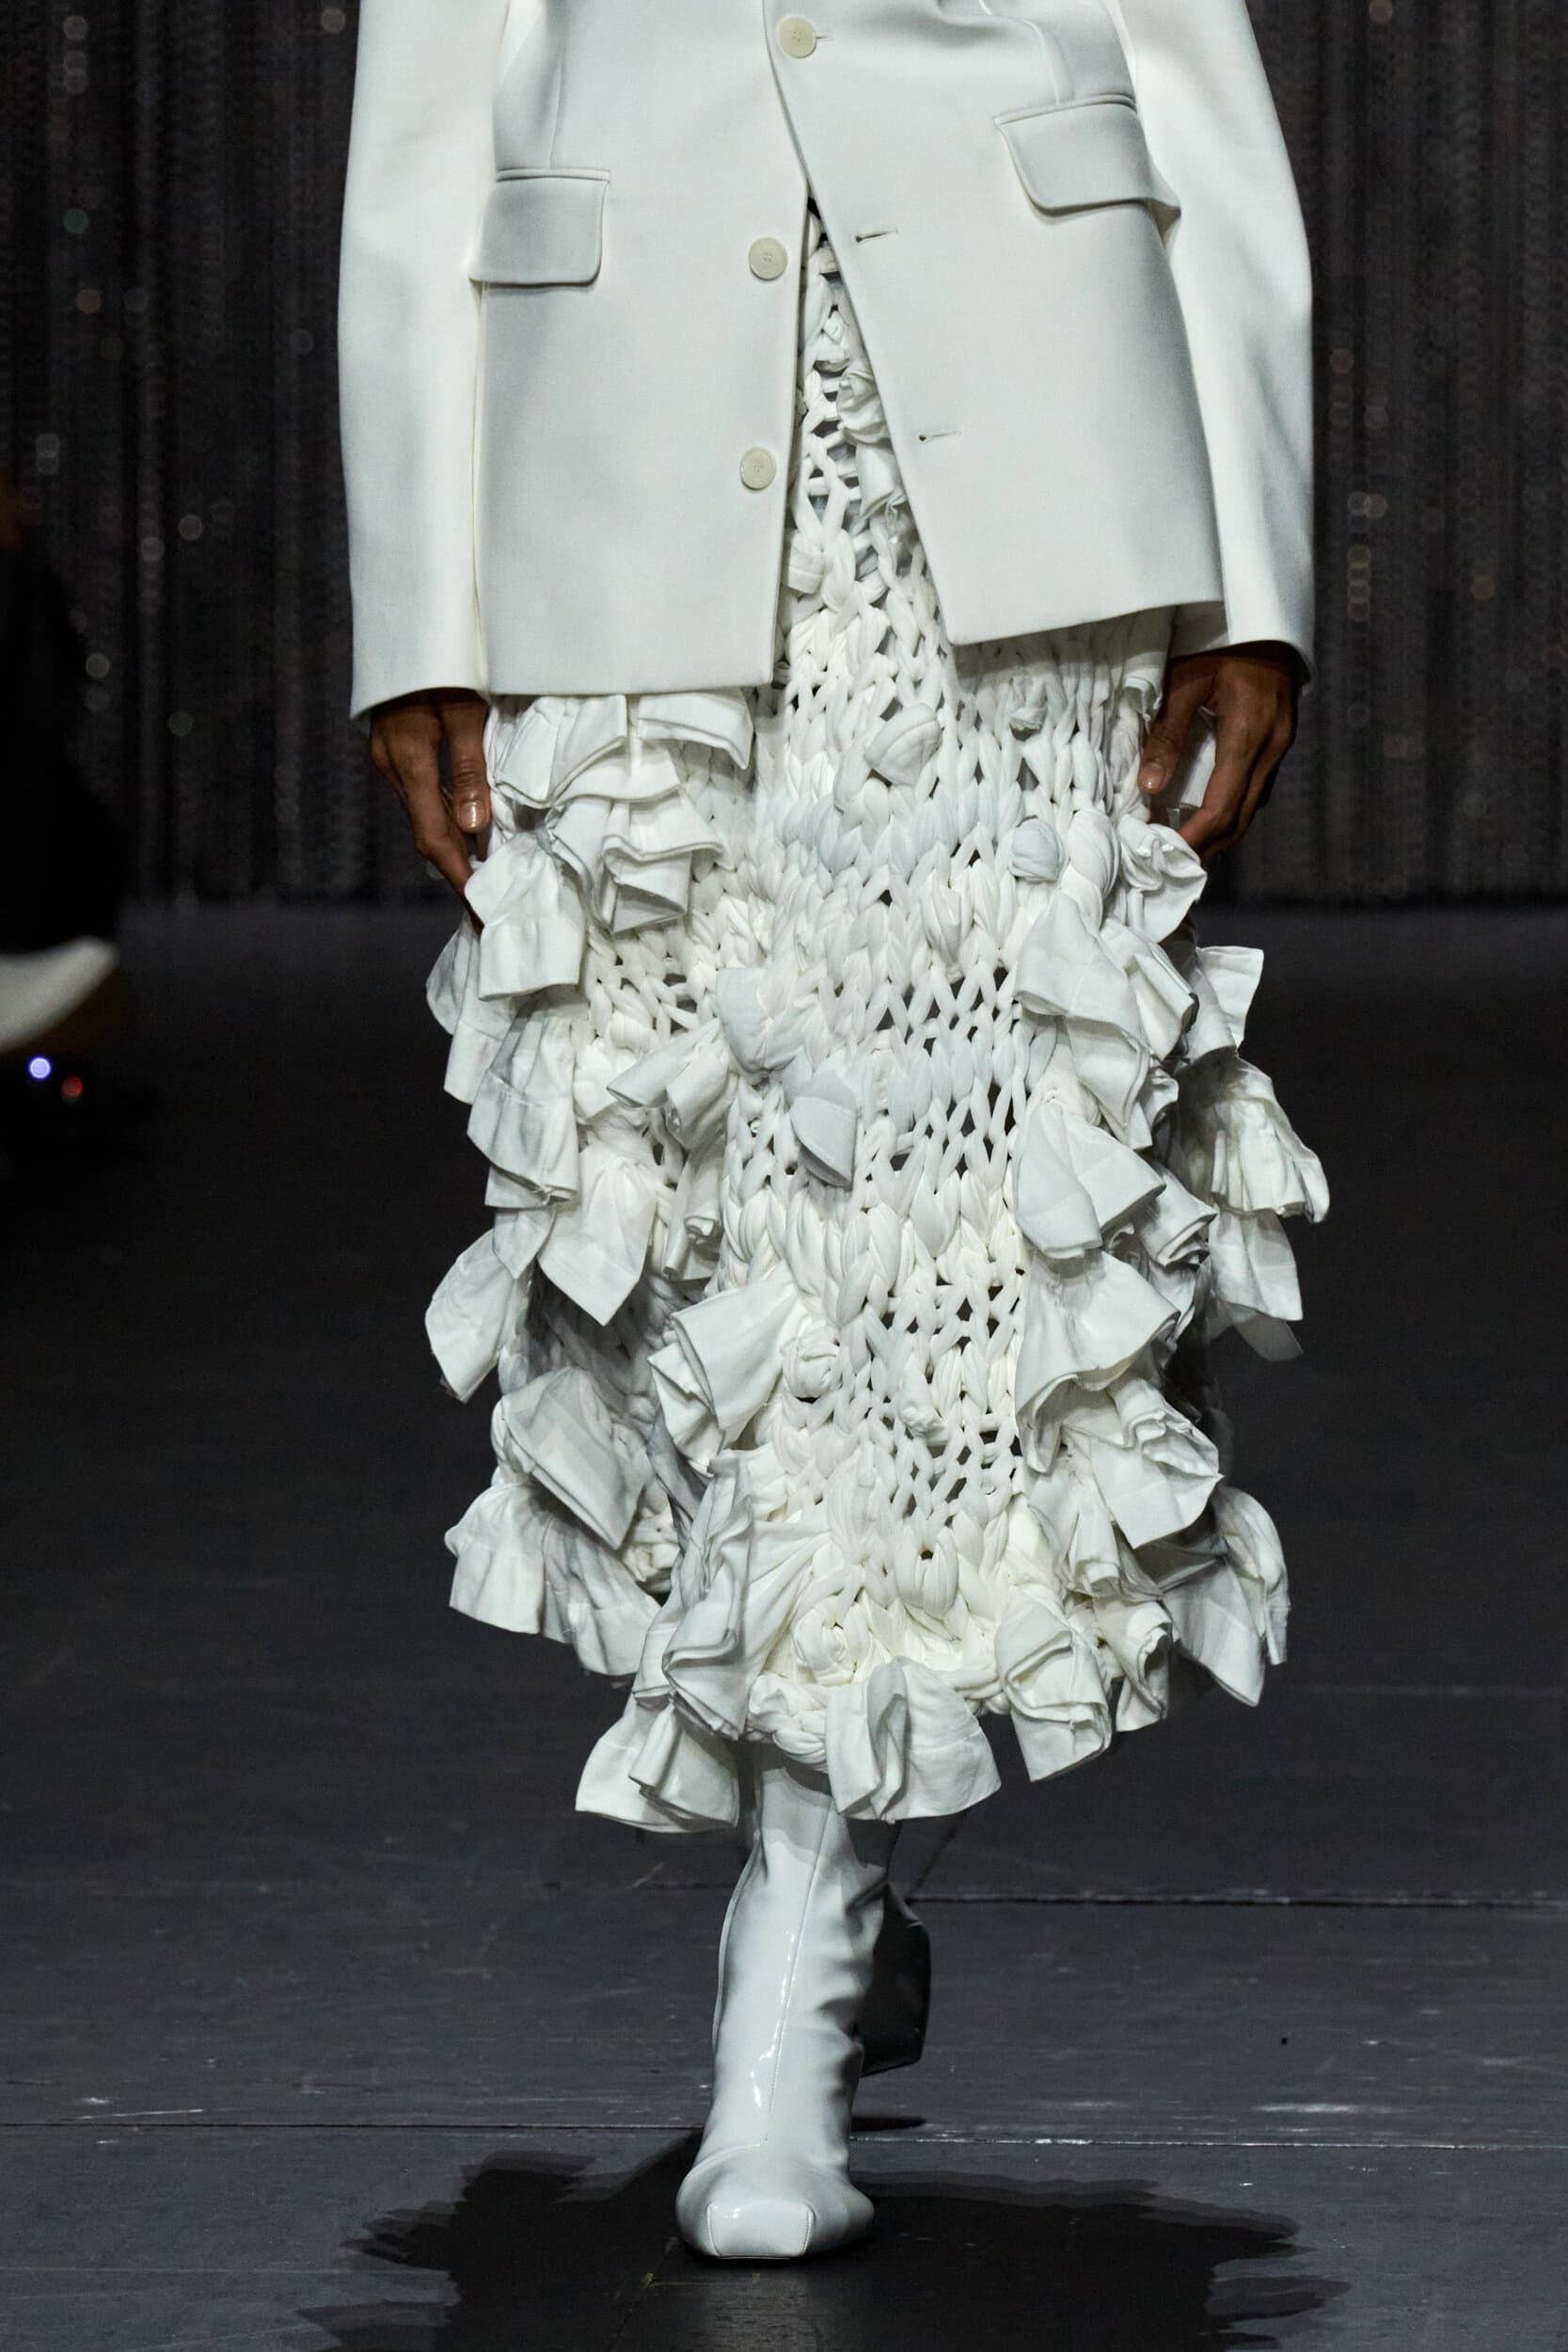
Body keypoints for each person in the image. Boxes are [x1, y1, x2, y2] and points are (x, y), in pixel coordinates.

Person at [338, 0, 1326, 2264]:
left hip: (1026, 430)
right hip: (621, 438)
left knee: (954, 1215)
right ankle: (835, 1841)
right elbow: (425, 113)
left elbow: (1192, 66)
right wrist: (419, 601)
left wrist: (1256, 572)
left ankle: (798, 1934)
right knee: (695, 1220)